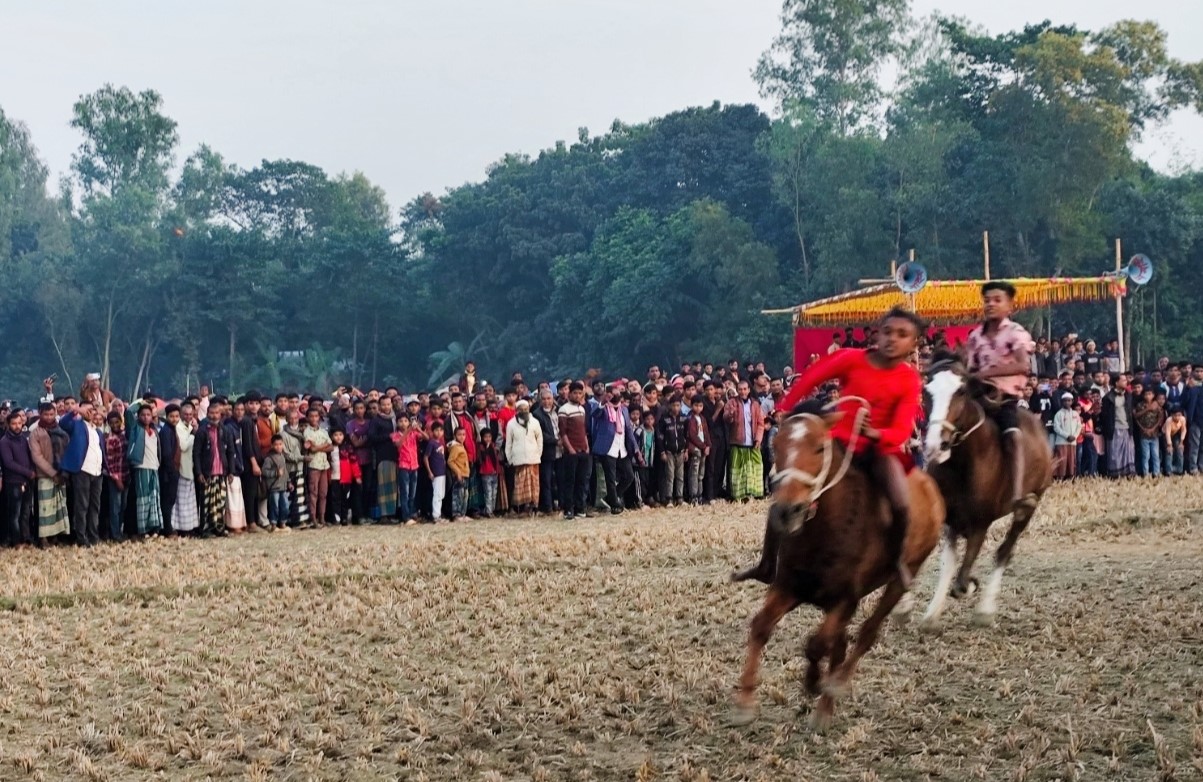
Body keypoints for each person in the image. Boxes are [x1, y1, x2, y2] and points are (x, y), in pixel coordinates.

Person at [775, 306, 925, 586]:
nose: (892, 339)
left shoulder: (909, 379)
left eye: (902, 334)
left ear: (913, 343)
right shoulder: (852, 358)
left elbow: (902, 428)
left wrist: (875, 433)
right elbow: (813, 376)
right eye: (888, 331)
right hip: (839, 441)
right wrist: (785, 405)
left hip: (880, 449)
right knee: (788, 488)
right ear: (877, 334)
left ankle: (896, 560)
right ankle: (767, 562)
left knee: (901, 501)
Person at [965, 281, 1038, 513]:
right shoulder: (975, 336)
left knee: (1014, 437)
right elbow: (970, 368)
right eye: (987, 300)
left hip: (1003, 398)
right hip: (977, 395)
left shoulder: (1015, 333)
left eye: (997, 300)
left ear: (1010, 306)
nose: (991, 304)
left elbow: (1023, 365)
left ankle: (1017, 494)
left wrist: (986, 374)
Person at [28, 403, 69, 543]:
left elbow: (67, 451)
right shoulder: (36, 432)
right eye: (46, 414)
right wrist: (52, 473)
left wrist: (62, 473)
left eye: (52, 414)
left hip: (61, 473)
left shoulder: (61, 431)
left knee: (58, 506)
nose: (49, 417)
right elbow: (37, 457)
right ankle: (43, 538)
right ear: (40, 414)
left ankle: (56, 536)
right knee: (45, 507)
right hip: (44, 475)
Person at [724, 380, 766, 502]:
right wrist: (731, 414)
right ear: (737, 390)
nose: (742, 391)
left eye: (745, 389)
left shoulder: (755, 404)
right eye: (740, 389)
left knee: (755, 466)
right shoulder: (732, 402)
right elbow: (726, 419)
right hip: (737, 442)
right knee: (738, 469)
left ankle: (755, 492)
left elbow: (760, 423)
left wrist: (758, 438)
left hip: (752, 442)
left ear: (748, 390)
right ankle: (738, 495)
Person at [126, 403, 164, 537]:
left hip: (154, 466)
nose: (146, 417)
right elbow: (129, 412)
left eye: (148, 414)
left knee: (154, 497)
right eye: (143, 415)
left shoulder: (155, 430)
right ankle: (143, 530)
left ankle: (154, 528)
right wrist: (141, 404)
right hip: (141, 466)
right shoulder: (135, 428)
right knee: (143, 498)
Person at [0, 411, 35, 547]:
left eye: (19, 423)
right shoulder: (4, 441)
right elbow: (9, 463)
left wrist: (31, 470)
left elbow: (29, 457)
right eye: (14, 424)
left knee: (25, 513)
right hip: (13, 481)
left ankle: (25, 537)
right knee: (14, 514)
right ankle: (15, 541)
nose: (17, 426)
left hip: (26, 480)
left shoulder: (23, 439)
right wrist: (28, 472)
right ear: (8, 424)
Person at [505, 399, 544, 516]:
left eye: (525, 409)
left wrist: (538, 454)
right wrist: (510, 458)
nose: (523, 411)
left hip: (533, 459)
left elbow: (540, 439)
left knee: (534, 484)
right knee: (519, 485)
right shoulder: (511, 424)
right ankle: (520, 509)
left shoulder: (535, 422)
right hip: (518, 459)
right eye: (521, 409)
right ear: (517, 410)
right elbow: (508, 443)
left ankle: (533, 507)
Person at [303, 407, 333, 527]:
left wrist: (319, 447)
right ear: (307, 418)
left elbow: (331, 447)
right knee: (313, 492)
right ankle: (313, 517)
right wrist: (324, 445)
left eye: (316, 416)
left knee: (323, 493)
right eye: (311, 416)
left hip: (324, 465)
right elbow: (312, 449)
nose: (314, 418)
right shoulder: (306, 432)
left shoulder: (323, 431)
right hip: (313, 465)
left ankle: (322, 517)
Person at [262, 435, 291, 531]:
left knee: (285, 505)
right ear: (272, 446)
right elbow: (264, 471)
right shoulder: (269, 459)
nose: (278, 447)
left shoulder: (282, 456)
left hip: (283, 486)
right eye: (276, 445)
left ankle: (283, 522)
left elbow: (285, 471)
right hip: (274, 487)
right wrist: (275, 473)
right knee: (274, 506)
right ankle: (273, 524)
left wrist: (288, 482)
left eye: (280, 444)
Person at [1052, 393, 1082, 480]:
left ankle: (1070, 477)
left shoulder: (1075, 414)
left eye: (1069, 400)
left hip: (1072, 442)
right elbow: (1056, 428)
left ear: (1072, 401)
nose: (1067, 402)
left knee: (1072, 460)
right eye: (1065, 401)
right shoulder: (1058, 414)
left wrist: (1075, 436)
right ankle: (1060, 478)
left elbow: (1079, 426)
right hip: (1061, 441)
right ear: (1062, 402)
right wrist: (1067, 436)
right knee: (1062, 460)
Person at [424, 422, 448, 522]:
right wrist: (429, 472)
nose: (439, 432)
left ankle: (438, 514)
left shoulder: (440, 443)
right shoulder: (431, 443)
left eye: (441, 430)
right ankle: (436, 515)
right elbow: (425, 457)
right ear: (432, 431)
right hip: (436, 472)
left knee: (441, 494)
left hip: (442, 472)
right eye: (436, 430)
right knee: (437, 494)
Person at [447, 426, 471, 520]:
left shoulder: (461, 446)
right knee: (457, 495)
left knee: (464, 495)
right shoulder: (456, 447)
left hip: (465, 474)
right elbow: (450, 461)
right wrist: (457, 472)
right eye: (459, 435)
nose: (462, 437)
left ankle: (462, 514)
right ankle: (456, 514)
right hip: (459, 475)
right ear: (455, 436)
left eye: (464, 434)